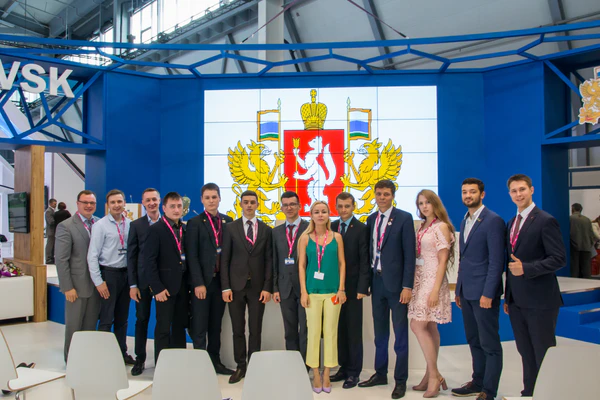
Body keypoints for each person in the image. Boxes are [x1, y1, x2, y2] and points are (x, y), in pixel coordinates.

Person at [504, 174, 566, 397]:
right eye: (514, 191)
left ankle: (548, 394)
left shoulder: (545, 220)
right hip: (517, 301)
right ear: (509, 194)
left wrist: (527, 268)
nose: (518, 194)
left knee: (543, 352)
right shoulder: (511, 223)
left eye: (522, 189)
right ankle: (529, 392)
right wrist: (508, 297)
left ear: (531, 190)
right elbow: (511, 263)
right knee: (525, 352)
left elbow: (559, 258)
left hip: (541, 301)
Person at [358, 179, 416, 400]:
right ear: (374, 195)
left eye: (386, 194)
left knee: (400, 336)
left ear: (393, 195)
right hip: (377, 282)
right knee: (380, 333)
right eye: (379, 194)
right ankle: (380, 373)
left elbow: (409, 255)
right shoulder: (371, 219)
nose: (382, 197)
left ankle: (400, 380)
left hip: (397, 286)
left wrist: (407, 286)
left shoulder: (404, 218)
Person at [452, 178, 505, 400]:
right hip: (467, 292)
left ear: (482, 194)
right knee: (474, 340)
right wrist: (458, 290)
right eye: (464, 192)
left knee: (489, 344)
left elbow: (496, 261)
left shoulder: (493, 221)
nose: (468, 195)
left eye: (472, 192)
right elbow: (464, 259)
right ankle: (478, 381)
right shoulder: (465, 220)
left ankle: (489, 391)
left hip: (484, 293)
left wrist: (488, 293)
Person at [221, 190, 273, 384]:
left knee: (256, 328)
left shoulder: (266, 229)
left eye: (252, 202)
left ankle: (254, 365)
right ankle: (240, 365)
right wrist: (225, 287)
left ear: (257, 204)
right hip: (235, 287)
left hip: (258, 288)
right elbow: (224, 259)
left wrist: (267, 287)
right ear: (240, 204)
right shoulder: (230, 228)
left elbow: (269, 261)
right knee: (237, 329)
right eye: (246, 202)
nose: (249, 205)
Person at [408, 189, 453, 398]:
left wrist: (435, 290)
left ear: (435, 204)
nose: (424, 206)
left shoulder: (441, 226)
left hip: (432, 279)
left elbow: (443, 260)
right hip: (419, 278)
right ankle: (429, 374)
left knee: (417, 324)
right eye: (421, 203)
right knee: (429, 325)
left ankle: (434, 375)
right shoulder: (422, 226)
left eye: (427, 202)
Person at [186, 183, 235, 375]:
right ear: (202, 200)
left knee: (216, 326)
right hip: (203, 283)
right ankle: (200, 365)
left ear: (220, 198)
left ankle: (215, 362)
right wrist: (198, 283)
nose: (211, 201)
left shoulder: (228, 221)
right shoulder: (195, 223)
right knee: (200, 326)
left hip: (221, 283)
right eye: (207, 198)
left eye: (214, 197)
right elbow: (192, 256)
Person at [298, 200, 346, 394]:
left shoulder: (337, 237)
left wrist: (341, 289)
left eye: (323, 211)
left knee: (331, 332)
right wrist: (303, 291)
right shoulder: (305, 238)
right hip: (312, 293)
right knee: (313, 333)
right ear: (311, 215)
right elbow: (301, 266)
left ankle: (327, 372)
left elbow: (342, 263)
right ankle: (315, 373)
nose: (320, 215)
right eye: (316, 212)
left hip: (333, 292)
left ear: (328, 215)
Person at [87, 189, 134, 365]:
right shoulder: (100, 226)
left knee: (122, 318)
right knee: (106, 319)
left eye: (119, 202)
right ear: (108, 205)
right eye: (113, 202)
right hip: (109, 275)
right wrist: (99, 282)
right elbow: (92, 256)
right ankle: (103, 357)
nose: (116, 205)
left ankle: (122, 352)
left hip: (126, 275)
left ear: (124, 204)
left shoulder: (130, 224)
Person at [329, 192, 369, 389]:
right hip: (334, 288)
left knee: (353, 330)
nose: (343, 210)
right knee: (339, 329)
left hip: (353, 289)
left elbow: (364, 260)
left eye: (347, 206)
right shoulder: (332, 226)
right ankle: (343, 368)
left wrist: (362, 287)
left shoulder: (361, 229)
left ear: (354, 206)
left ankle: (354, 372)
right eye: (340, 206)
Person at [55, 190, 100, 362]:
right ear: (78, 204)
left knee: (90, 327)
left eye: (92, 203)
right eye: (85, 202)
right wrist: (67, 287)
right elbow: (61, 260)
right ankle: (72, 362)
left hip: (95, 286)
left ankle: (86, 360)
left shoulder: (99, 223)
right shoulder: (66, 226)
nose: (89, 206)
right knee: (74, 327)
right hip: (76, 287)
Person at [145, 192, 189, 364]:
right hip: (164, 288)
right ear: (164, 208)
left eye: (179, 206)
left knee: (180, 326)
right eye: (172, 206)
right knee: (163, 327)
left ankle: (178, 363)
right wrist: (157, 288)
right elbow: (149, 262)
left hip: (182, 286)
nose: (176, 210)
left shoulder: (184, 228)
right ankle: (161, 365)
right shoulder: (155, 230)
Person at [127, 188, 161, 376]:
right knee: (141, 320)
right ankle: (140, 359)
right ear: (143, 203)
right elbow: (131, 257)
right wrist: (132, 285)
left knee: (162, 322)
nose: (151, 203)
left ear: (159, 200)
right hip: (142, 283)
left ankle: (161, 359)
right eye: (148, 200)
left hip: (163, 283)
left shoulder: (168, 222)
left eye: (154, 199)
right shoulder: (136, 225)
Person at [272, 191, 309, 363]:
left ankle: (306, 364)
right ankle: (293, 364)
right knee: (289, 330)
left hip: (305, 287)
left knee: (306, 329)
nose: (289, 208)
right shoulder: (276, 232)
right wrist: (275, 288)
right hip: (284, 287)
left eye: (293, 204)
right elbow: (274, 261)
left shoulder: (309, 228)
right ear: (281, 208)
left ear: (299, 206)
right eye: (286, 205)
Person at [569, 203, 596, 279]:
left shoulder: (570, 219)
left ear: (573, 209)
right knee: (586, 270)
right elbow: (591, 234)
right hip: (586, 247)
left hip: (574, 246)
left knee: (574, 270)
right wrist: (590, 244)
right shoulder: (587, 220)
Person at [45, 198, 57, 264]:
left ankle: (51, 258)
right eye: (54, 204)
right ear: (50, 204)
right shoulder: (49, 211)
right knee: (50, 246)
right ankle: (48, 259)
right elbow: (51, 221)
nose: (55, 205)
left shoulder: (52, 211)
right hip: (51, 231)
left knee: (52, 245)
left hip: (53, 231)